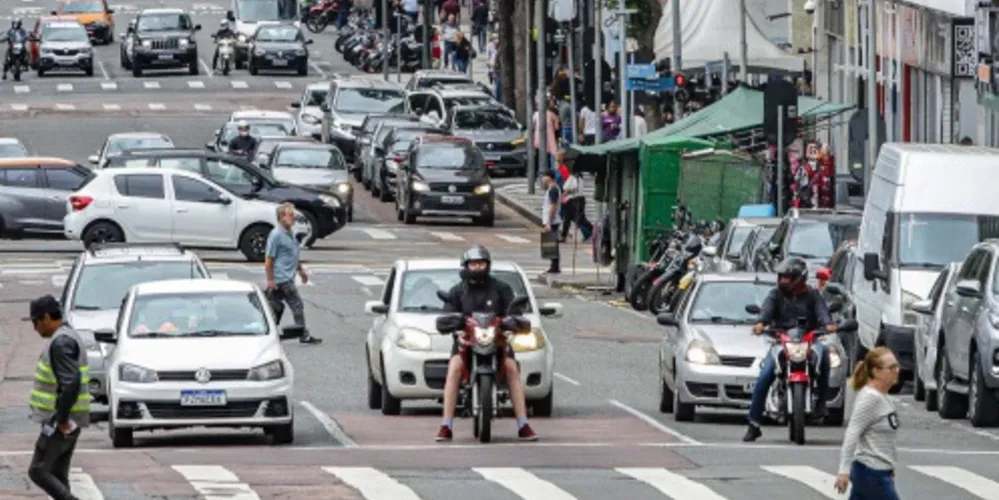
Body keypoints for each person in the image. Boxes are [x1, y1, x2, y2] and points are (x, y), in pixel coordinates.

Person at [436, 246, 538, 442]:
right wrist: (453, 325)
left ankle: (523, 424)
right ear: (466, 266)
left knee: (511, 369)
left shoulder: (501, 288)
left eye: (481, 263)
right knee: (454, 368)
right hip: (465, 343)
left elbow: (514, 312)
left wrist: (513, 322)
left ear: (488, 265)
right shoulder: (457, 291)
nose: (477, 267)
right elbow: (447, 314)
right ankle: (446, 425)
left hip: (498, 342)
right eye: (473, 264)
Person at [742, 256, 835, 442]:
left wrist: (828, 324)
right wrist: (761, 323)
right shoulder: (775, 295)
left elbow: (823, 313)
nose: (784, 280)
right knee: (765, 375)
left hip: (809, 341)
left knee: (824, 354)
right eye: (782, 277)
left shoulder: (813, 294)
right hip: (781, 342)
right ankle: (754, 423)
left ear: (800, 278)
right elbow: (766, 313)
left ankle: (821, 403)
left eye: (788, 277)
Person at [27, 295, 90, 500]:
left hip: (61, 422)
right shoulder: (67, 336)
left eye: (35, 322)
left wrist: (61, 419)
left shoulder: (61, 342)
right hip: (68, 420)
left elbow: (70, 382)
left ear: (46, 317)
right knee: (57, 475)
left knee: (39, 470)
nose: (35, 328)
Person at [835, 347, 900, 499]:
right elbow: (852, 433)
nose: (896, 370)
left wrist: (890, 467)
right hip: (871, 473)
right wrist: (843, 470)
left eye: (897, 366)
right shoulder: (870, 398)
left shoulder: (884, 397)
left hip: (878, 472)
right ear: (876, 371)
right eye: (891, 367)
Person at [265, 203, 322, 344]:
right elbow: (269, 260)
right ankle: (303, 335)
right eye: (291, 215)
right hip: (282, 278)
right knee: (296, 305)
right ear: (281, 217)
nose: (294, 218)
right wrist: (270, 280)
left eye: (294, 215)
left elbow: (292, 255)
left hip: (285, 276)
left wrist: (301, 271)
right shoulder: (276, 235)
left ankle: (266, 333)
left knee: (272, 306)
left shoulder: (289, 233)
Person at [540, 171, 562, 274]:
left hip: (552, 221)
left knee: (552, 244)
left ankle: (555, 267)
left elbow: (553, 206)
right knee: (552, 244)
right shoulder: (552, 189)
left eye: (544, 176)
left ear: (549, 178)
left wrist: (549, 222)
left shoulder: (553, 190)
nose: (542, 179)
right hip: (551, 220)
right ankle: (554, 266)